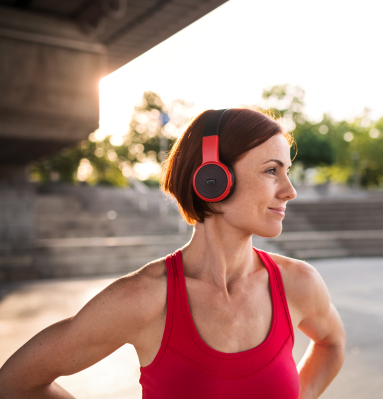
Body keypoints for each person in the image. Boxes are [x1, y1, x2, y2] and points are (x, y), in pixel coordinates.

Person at [0, 108, 346, 398]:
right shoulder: (143, 298)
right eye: (272, 171)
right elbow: (16, 382)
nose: (290, 191)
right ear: (212, 179)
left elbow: (332, 345)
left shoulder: (298, 283)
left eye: (287, 172)